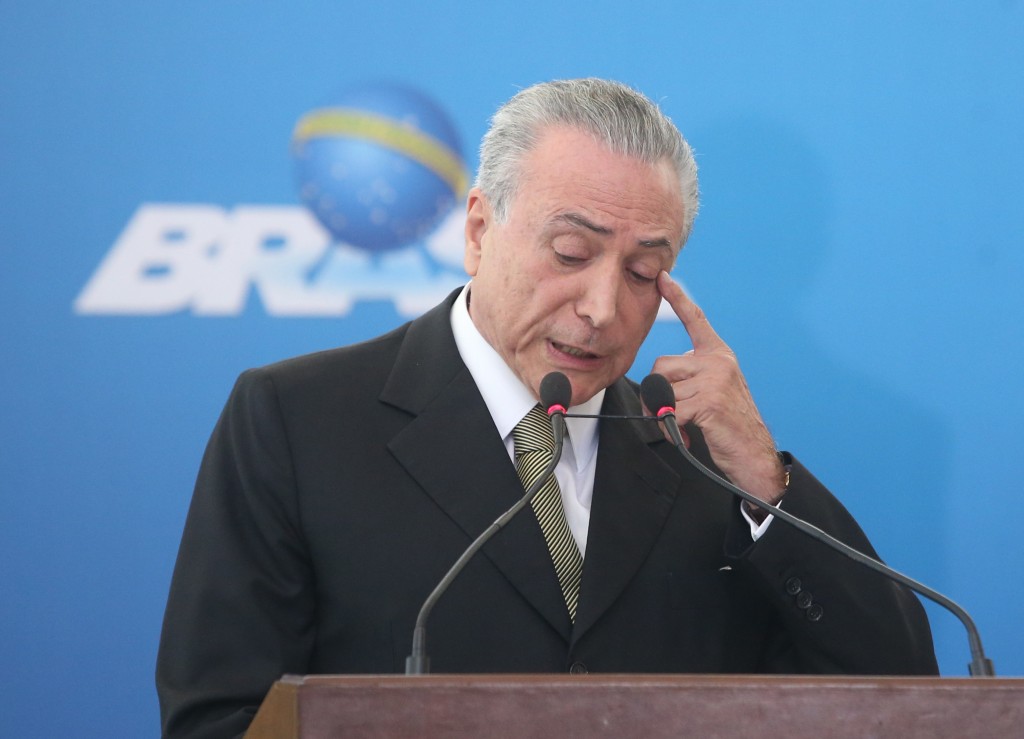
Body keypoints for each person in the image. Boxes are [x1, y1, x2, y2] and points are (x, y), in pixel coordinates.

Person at [157, 78, 937, 737]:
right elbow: (222, 716)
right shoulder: (297, 420)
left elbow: (901, 692)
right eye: (571, 253)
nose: (601, 306)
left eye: (642, 272)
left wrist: (767, 483)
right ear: (478, 230)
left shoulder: (704, 459)